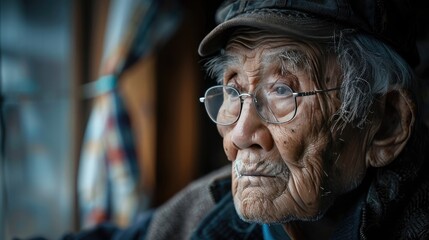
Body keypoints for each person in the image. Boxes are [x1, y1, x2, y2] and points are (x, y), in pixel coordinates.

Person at [34, 0, 429, 239]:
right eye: (234, 91)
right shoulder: (207, 207)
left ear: (387, 124)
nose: (239, 136)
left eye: (283, 90)